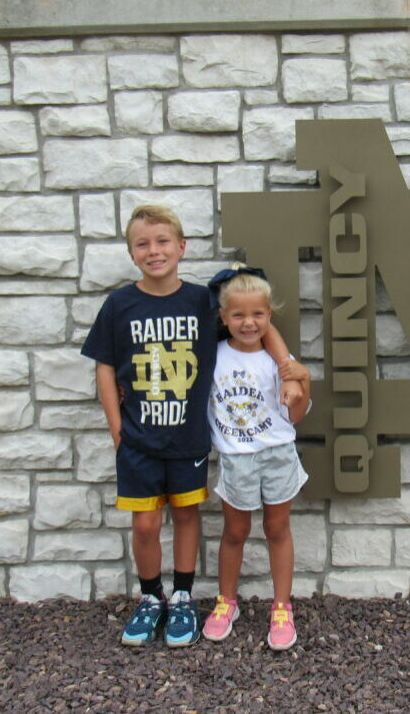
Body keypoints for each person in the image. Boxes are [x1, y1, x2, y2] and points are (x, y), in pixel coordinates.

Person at [81, 206, 303, 647]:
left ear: (181, 248)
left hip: (188, 437)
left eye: (163, 241)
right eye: (142, 243)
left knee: (185, 516)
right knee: (144, 525)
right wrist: (114, 426)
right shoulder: (119, 304)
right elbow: (104, 367)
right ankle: (150, 597)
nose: (154, 251)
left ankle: (182, 596)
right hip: (139, 437)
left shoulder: (204, 301)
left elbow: (259, 322)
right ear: (130, 252)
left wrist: (288, 366)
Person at [200, 265, 312, 652]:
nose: (249, 323)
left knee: (277, 530)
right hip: (236, 459)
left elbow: (296, 417)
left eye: (258, 314)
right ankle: (226, 601)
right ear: (223, 317)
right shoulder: (213, 357)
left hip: (277, 454)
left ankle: (282, 607)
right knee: (234, 532)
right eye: (238, 315)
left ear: (269, 315)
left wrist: (304, 383)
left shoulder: (280, 362)